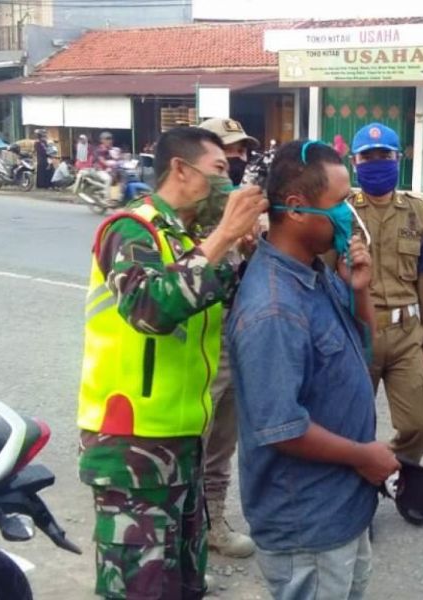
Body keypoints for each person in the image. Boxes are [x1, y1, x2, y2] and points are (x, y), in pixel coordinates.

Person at [76, 126, 266, 600]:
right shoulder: (129, 228)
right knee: (139, 590)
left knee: (183, 584)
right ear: (180, 169)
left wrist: (242, 252)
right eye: (219, 170)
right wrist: (223, 236)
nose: (229, 181)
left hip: (182, 443)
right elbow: (150, 309)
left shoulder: (184, 239)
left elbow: (222, 313)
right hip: (131, 446)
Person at [229, 139, 399, 599]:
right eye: (341, 203)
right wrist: (366, 457)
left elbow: (363, 350)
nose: (351, 214)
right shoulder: (274, 308)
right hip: (308, 524)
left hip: (341, 509)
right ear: (299, 208)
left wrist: (359, 290)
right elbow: (281, 427)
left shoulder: (315, 272)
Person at [348, 122, 423, 526]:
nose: (376, 163)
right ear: (354, 163)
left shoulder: (419, 212)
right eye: (367, 157)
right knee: (353, 423)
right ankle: (357, 504)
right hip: (358, 333)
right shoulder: (342, 211)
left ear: (397, 159)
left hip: (408, 334)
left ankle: (398, 478)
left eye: (384, 156)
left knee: (419, 424)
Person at [197, 117, 260, 558]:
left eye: (240, 153)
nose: (236, 163)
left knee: (223, 439)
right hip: (196, 345)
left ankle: (213, 521)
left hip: (234, 337)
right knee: (191, 443)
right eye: (225, 156)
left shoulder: (240, 212)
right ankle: (187, 532)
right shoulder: (177, 216)